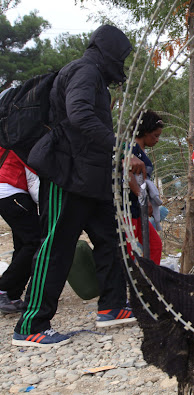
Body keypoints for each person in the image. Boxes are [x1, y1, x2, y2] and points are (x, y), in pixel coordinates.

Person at [12, 25, 140, 347]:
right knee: (56, 247)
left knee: (110, 240)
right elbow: (79, 115)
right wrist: (122, 148)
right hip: (66, 176)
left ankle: (112, 307)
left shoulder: (95, 76)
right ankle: (30, 326)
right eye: (121, 56)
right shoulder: (84, 71)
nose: (121, 65)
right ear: (107, 50)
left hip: (92, 179)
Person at [0, 148, 39, 314]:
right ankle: (3, 289)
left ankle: (12, 295)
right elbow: (34, 176)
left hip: (7, 193)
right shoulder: (18, 144)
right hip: (13, 193)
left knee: (23, 245)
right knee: (35, 242)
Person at [127, 110, 164, 265]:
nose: (157, 140)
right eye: (155, 135)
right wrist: (142, 196)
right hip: (128, 210)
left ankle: (151, 281)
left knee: (155, 245)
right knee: (129, 252)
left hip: (138, 210)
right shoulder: (131, 150)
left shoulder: (141, 152)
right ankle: (135, 283)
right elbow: (126, 173)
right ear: (145, 131)